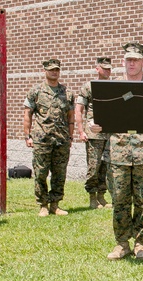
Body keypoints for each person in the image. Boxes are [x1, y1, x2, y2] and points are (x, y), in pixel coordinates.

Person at [98, 43, 143, 260]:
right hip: (119, 153)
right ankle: (122, 244)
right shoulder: (111, 89)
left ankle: (140, 243)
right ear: (124, 62)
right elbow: (98, 119)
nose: (132, 63)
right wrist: (93, 126)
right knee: (119, 199)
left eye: (136, 60)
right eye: (128, 59)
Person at [24, 58, 74, 216]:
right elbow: (28, 114)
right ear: (45, 70)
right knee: (41, 173)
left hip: (62, 139)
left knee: (59, 174)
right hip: (42, 139)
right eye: (51, 69)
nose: (54, 72)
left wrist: (71, 137)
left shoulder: (67, 93)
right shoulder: (36, 91)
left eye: (57, 69)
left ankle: (55, 204)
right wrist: (27, 136)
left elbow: (70, 117)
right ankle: (43, 204)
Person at [75, 56, 113, 209]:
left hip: (110, 134)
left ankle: (101, 196)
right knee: (94, 166)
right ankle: (92, 197)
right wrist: (80, 131)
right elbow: (79, 109)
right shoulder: (88, 87)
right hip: (94, 134)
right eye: (104, 68)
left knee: (106, 166)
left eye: (109, 68)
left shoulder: (114, 86)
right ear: (97, 69)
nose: (107, 71)